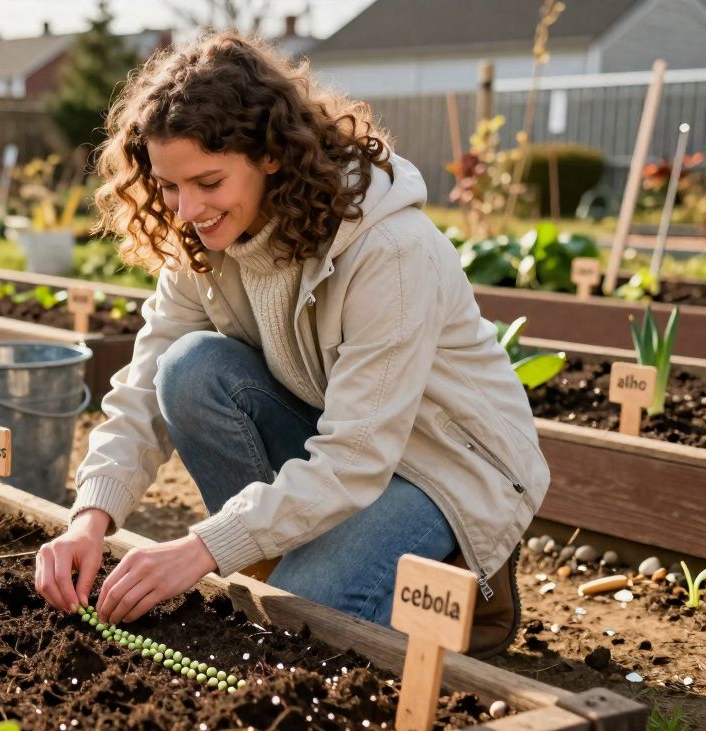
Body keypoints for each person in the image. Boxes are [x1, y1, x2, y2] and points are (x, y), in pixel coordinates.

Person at [33, 32, 549, 658]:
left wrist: (203, 548)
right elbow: (143, 386)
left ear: (271, 156)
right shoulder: (201, 241)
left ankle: (468, 589)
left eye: (208, 182)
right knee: (188, 370)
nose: (185, 209)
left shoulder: (390, 251)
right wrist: (91, 518)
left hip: (443, 467)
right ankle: (292, 566)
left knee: (305, 629)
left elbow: (359, 455)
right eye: (169, 186)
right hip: (338, 439)